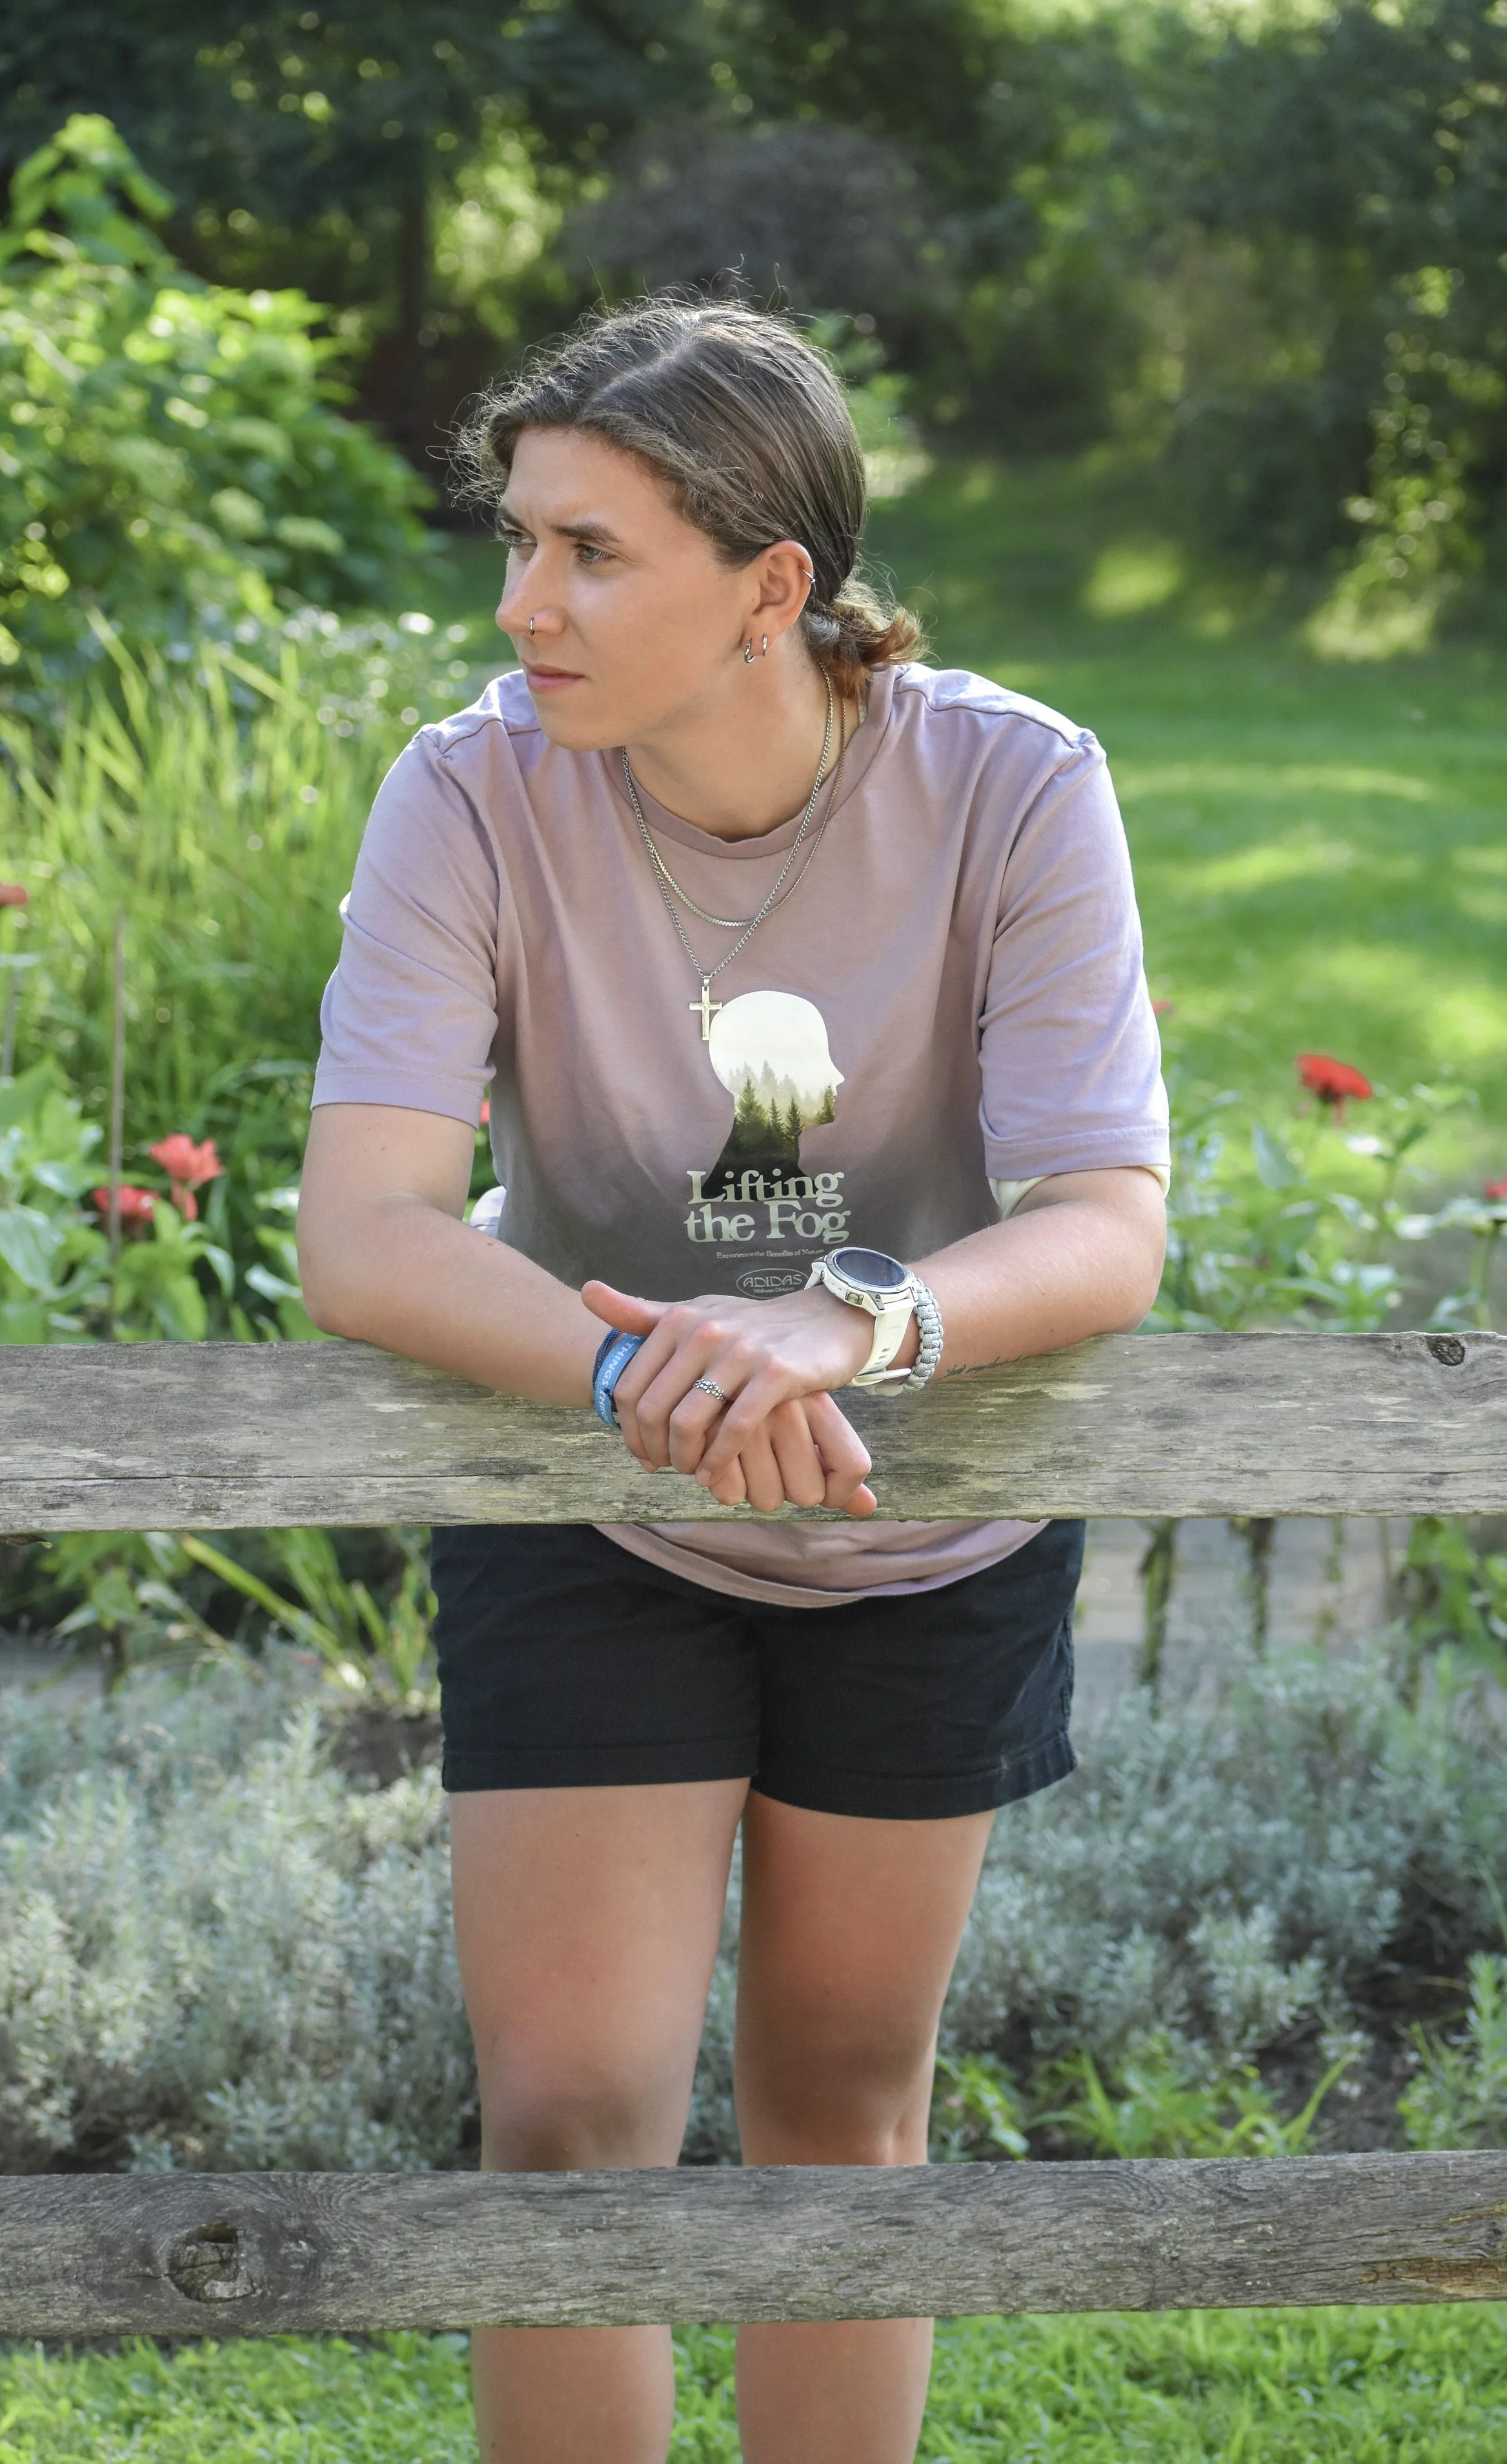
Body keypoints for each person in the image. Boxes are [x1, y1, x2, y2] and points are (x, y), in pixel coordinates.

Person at [297, 295, 1169, 2464]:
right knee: (567, 2123)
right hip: (587, 1501)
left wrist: (836, 1324)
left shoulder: (1014, 784)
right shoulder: (468, 790)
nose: (523, 606)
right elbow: (368, 1233)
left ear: (773, 586)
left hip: (919, 1519)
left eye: (591, 553)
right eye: (520, 541)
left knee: (842, 2110)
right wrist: (651, 1379)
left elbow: (1101, 1220)